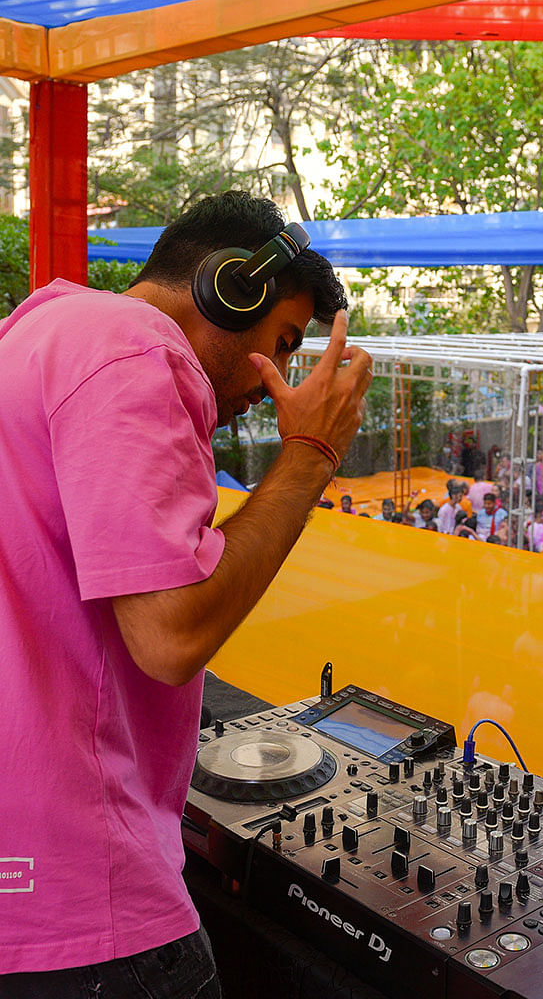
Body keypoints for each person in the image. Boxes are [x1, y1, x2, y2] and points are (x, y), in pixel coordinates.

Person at [0, 192, 372, 994]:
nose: (271, 387)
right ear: (229, 288)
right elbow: (170, 635)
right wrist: (308, 454)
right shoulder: (137, 352)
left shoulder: (36, 334)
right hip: (88, 905)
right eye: (282, 343)